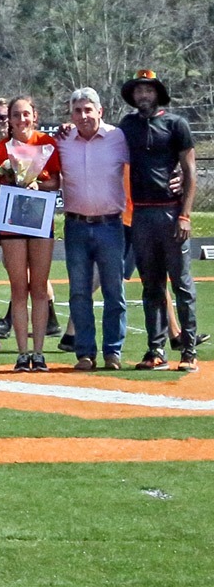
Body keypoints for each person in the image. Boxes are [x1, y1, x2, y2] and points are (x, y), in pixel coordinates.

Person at [119, 70, 199, 372]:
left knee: (182, 284)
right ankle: (156, 350)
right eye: (139, 91)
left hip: (170, 213)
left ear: (158, 93)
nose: (143, 96)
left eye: (148, 91)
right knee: (151, 286)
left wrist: (185, 214)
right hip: (141, 213)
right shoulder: (127, 125)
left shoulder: (176, 123)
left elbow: (189, 172)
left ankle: (188, 350)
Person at [53, 87, 129, 372]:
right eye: (77, 110)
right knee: (79, 293)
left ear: (100, 111)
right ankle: (84, 352)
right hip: (75, 225)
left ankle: (113, 352)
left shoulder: (117, 138)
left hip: (111, 224)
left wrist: (176, 177)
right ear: (70, 115)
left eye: (88, 109)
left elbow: (147, 164)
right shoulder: (62, 141)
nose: (83, 115)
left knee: (114, 291)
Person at [0, 95, 62, 372]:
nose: (21, 120)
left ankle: (39, 352)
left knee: (39, 288)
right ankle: (21, 353)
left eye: (26, 114)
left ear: (35, 115)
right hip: (11, 223)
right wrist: (11, 182)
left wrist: (36, 187)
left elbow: (55, 181)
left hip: (41, 221)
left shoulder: (47, 144)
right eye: (16, 115)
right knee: (19, 288)